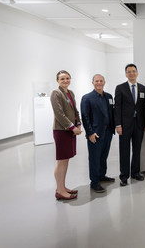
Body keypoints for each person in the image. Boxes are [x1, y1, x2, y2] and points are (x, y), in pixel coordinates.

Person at [114, 64, 145, 186]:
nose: (131, 74)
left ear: (137, 73)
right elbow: (117, 107)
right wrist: (118, 125)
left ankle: (135, 172)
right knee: (124, 150)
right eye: (129, 72)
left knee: (137, 149)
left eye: (133, 71)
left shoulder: (143, 88)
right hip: (124, 125)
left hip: (139, 124)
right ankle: (124, 176)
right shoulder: (120, 88)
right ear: (126, 74)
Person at [50, 70, 82, 200]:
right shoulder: (56, 93)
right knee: (61, 161)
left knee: (66, 160)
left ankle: (62, 187)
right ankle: (59, 190)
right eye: (62, 79)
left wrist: (78, 123)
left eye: (67, 78)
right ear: (57, 80)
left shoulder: (70, 93)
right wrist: (72, 127)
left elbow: (75, 110)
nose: (65, 81)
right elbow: (59, 114)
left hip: (70, 130)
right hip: (61, 130)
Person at [81, 74, 115, 193]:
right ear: (93, 83)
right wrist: (90, 133)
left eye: (101, 81)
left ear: (104, 82)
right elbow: (85, 117)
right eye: (97, 81)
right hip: (95, 133)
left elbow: (112, 113)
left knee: (103, 156)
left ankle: (102, 175)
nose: (99, 83)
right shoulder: (87, 98)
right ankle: (94, 182)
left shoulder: (109, 97)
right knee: (94, 158)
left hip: (108, 132)